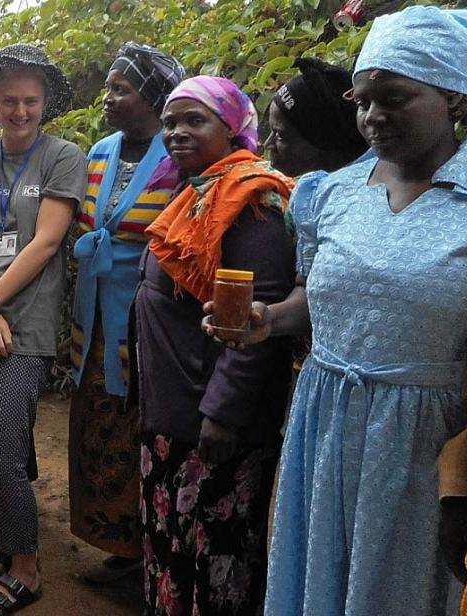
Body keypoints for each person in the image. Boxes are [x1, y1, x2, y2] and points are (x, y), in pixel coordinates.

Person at [231, 7, 467, 615]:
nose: (372, 116)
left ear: (458, 100)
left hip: (426, 445)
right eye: (363, 99)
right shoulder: (331, 193)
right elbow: (321, 301)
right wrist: (271, 319)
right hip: (324, 420)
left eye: (395, 98)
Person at [136, 75, 294, 616]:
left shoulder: (250, 202)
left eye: (194, 120)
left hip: (209, 418)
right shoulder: (196, 192)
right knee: (174, 545)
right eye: (170, 123)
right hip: (173, 406)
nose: (177, 133)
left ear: (232, 128)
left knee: (214, 554)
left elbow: (256, 315)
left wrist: (223, 413)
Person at [0, 45, 86, 615]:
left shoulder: (62, 157)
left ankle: (26, 564)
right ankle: (7, 546)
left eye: (30, 100)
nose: (20, 110)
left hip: (24, 322)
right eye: (10, 100)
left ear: (45, 102)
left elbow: (47, 241)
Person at [67, 42, 185, 585]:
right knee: (99, 422)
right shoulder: (99, 151)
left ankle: (150, 545)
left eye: (122, 89)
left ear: (155, 98)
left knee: (139, 421)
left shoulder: (180, 158)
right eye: (109, 87)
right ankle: (118, 542)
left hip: (146, 318)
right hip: (93, 314)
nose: (108, 98)